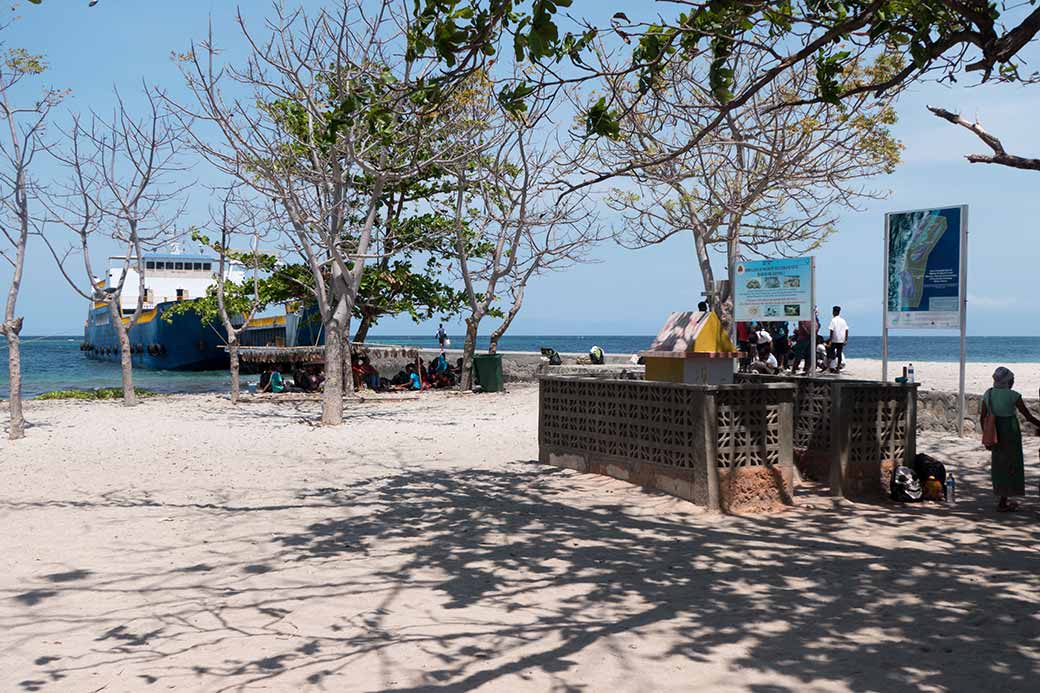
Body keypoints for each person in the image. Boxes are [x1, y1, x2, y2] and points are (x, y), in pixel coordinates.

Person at [980, 367, 1040, 512]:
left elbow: (982, 418)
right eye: (1012, 379)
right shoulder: (1014, 396)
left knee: (999, 466)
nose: (1013, 382)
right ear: (1007, 381)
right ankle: (1004, 501)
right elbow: (1028, 417)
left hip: (996, 433)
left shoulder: (988, 394)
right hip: (1011, 433)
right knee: (1012, 464)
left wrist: (987, 435)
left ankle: (1002, 499)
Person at [827, 306, 849, 373]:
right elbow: (846, 330)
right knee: (839, 354)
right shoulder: (843, 320)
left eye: (833, 311)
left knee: (831, 354)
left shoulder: (833, 320)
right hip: (841, 340)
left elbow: (831, 330)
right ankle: (838, 369)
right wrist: (846, 339)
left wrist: (830, 340)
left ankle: (828, 367)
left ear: (834, 312)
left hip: (834, 340)